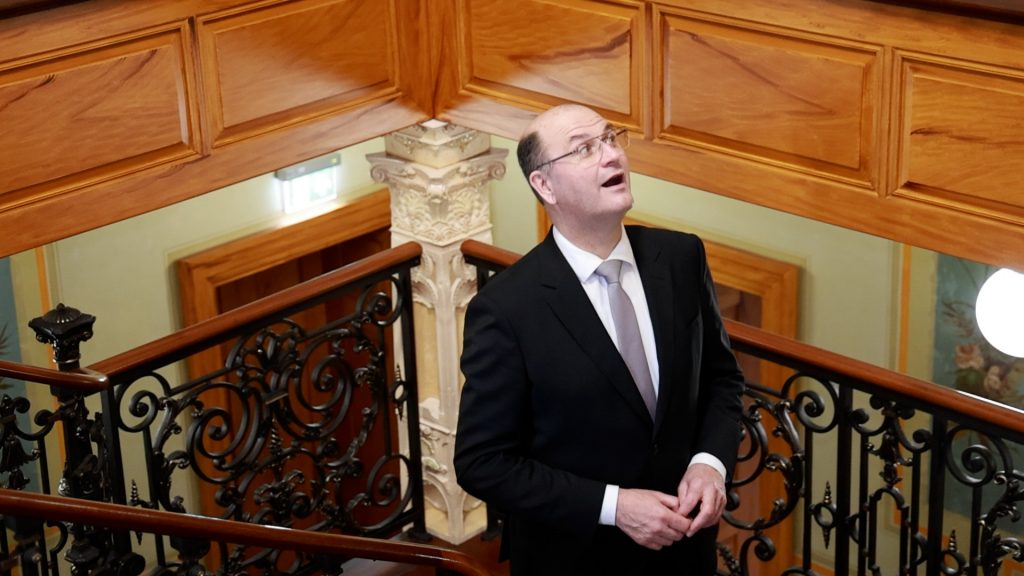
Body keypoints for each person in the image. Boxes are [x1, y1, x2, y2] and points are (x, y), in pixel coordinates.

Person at [453, 103, 746, 575]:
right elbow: (482, 462)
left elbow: (721, 379)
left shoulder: (681, 257)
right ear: (544, 185)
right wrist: (614, 506)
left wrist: (710, 463)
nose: (611, 155)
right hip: (576, 558)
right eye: (584, 149)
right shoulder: (506, 308)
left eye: (610, 139)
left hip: (686, 551)